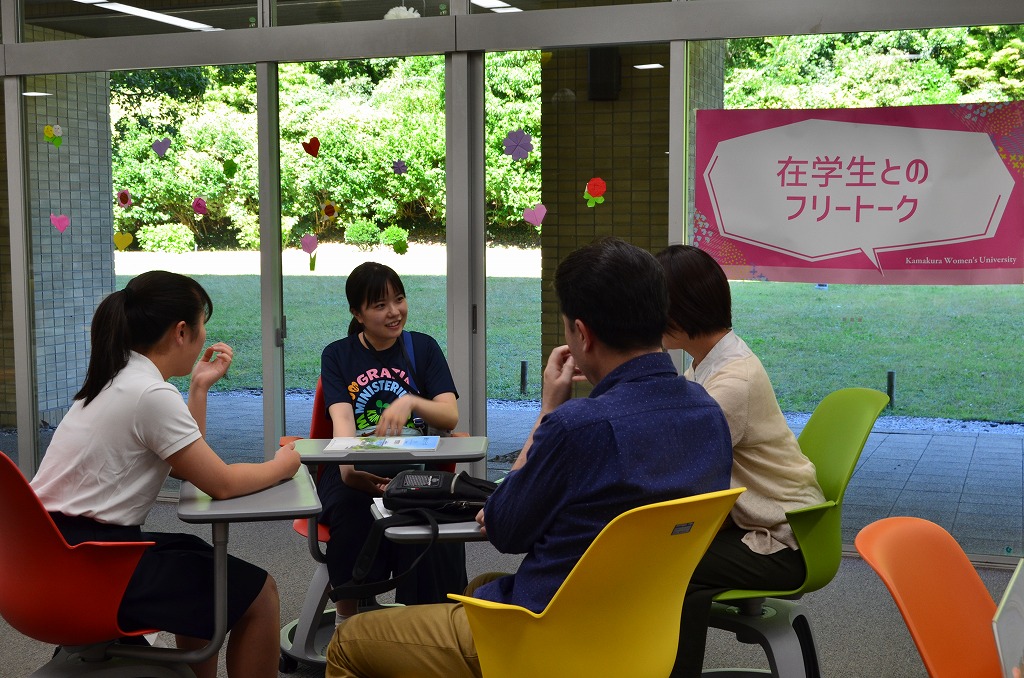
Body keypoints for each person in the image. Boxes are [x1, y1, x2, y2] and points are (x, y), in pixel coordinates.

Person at [323, 237, 734, 678]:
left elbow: (505, 528)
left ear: (583, 333)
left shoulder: (577, 426)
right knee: (480, 587)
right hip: (645, 635)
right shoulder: (709, 413)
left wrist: (547, 412)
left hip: (547, 636)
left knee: (349, 642)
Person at [29, 270, 301, 678]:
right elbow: (220, 484)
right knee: (259, 594)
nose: (204, 335)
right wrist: (283, 466)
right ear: (180, 331)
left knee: (196, 559)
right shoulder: (150, 393)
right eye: (202, 325)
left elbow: (185, 464)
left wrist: (198, 390)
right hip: (90, 565)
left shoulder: (118, 377)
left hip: (52, 552)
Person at [655, 244, 826, 678]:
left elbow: (674, 469)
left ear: (679, 310)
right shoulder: (712, 362)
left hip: (784, 540)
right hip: (769, 522)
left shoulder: (731, 383)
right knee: (665, 553)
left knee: (667, 564)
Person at [318, 261, 466, 621]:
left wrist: (412, 401)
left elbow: (449, 416)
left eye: (398, 299)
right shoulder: (338, 354)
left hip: (414, 471)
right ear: (358, 312)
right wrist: (350, 470)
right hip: (356, 468)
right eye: (379, 305)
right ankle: (347, 619)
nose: (394, 312)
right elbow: (342, 421)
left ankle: (434, 622)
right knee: (351, 508)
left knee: (438, 521)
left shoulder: (423, 348)